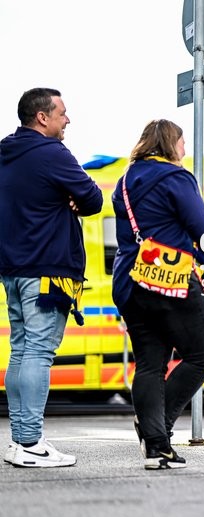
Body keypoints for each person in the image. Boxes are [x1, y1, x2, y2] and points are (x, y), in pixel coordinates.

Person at [0, 88, 103, 467]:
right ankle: (30, 442)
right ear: (42, 117)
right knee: (39, 353)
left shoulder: (6, 153)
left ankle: (20, 440)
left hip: (12, 269)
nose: (67, 119)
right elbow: (93, 199)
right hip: (47, 270)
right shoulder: (52, 153)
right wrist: (70, 197)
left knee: (21, 351)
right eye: (62, 113)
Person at [112, 119, 204, 470]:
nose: (185, 149)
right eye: (182, 142)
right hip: (169, 278)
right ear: (169, 144)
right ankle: (155, 427)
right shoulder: (175, 178)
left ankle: (157, 446)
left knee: (149, 363)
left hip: (130, 281)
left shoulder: (125, 181)